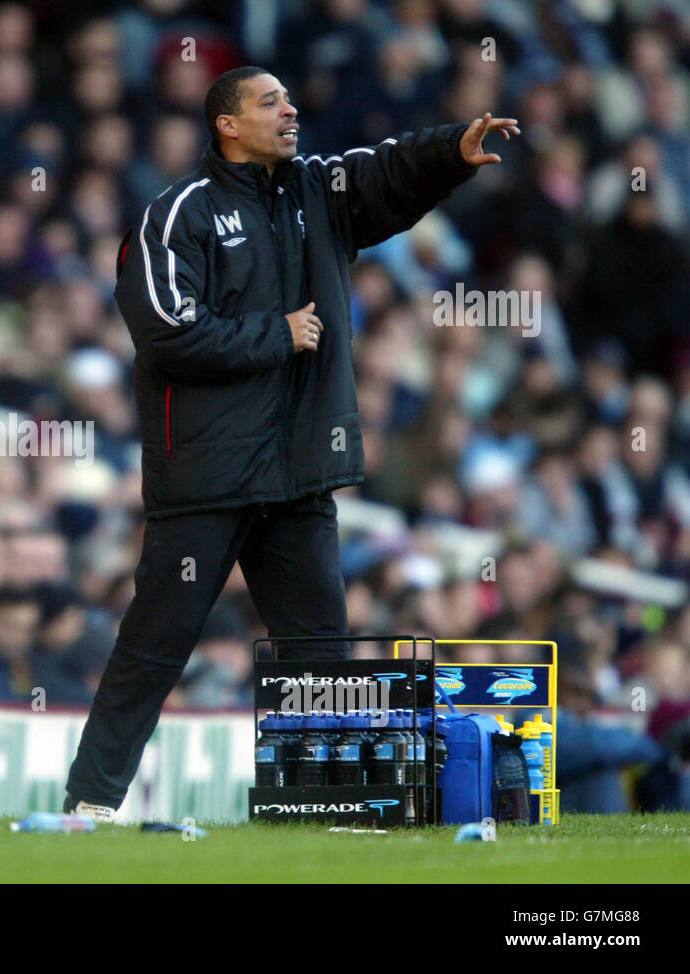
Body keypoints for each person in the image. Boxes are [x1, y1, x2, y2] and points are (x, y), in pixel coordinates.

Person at [63, 67, 520, 819]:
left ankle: (314, 809)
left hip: (299, 473)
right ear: (227, 124)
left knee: (318, 654)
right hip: (205, 477)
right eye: (269, 102)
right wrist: (276, 334)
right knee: (155, 647)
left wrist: (452, 151)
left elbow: (386, 173)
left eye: (290, 99)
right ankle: (91, 803)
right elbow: (166, 333)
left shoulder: (319, 191)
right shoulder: (178, 214)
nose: (291, 109)